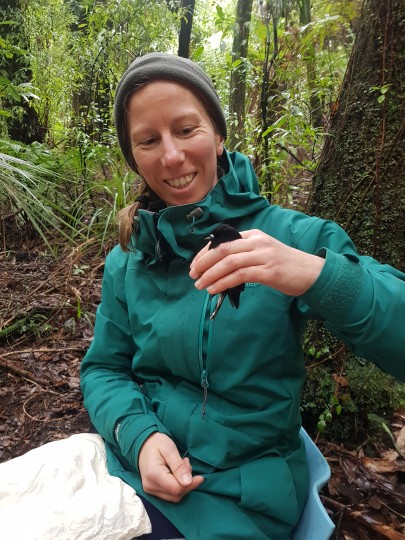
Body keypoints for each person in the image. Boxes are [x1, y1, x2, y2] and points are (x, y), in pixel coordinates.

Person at [80, 52, 405, 540]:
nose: (171, 156)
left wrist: (313, 273)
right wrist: (138, 435)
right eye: (149, 140)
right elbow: (104, 367)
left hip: (243, 497)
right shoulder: (129, 259)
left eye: (187, 129)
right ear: (135, 157)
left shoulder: (290, 235)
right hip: (134, 470)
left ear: (218, 131)